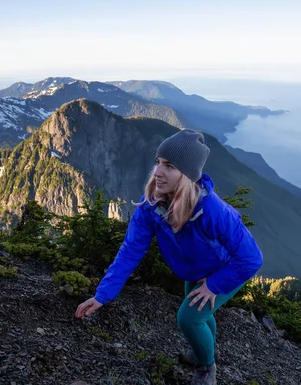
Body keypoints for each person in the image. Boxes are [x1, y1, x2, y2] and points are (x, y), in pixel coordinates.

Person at [75, 129, 263, 385]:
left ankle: (207, 368)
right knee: (200, 315)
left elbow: (251, 258)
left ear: (186, 174)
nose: (158, 172)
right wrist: (102, 295)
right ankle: (204, 350)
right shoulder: (151, 206)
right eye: (158, 163)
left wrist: (213, 285)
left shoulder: (212, 210)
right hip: (195, 270)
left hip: (226, 269)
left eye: (169, 166)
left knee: (189, 318)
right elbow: (130, 251)